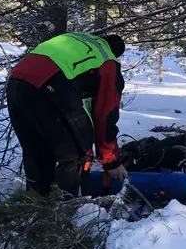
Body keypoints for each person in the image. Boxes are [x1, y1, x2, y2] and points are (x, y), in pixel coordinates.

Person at [7, 32, 128, 196]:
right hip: (49, 88)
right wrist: (110, 161)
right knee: (77, 157)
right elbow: (106, 114)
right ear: (116, 53)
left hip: (16, 84)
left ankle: (36, 208)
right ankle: (71, 211)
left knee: (36, 151)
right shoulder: (107, 60)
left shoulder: (78, 40)